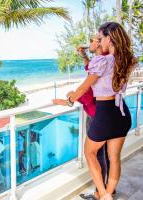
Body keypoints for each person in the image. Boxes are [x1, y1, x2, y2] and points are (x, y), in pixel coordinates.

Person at [55, 22, 137, 200]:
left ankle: (103, 195)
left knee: (90, 153)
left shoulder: (103, 61)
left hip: (105, 113)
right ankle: (108, 193)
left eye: (100, 38)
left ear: (109, 38)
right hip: (121, 113)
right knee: (114, 158)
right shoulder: (125, 60)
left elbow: (84, 87)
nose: (99, 42)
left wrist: (68, 100)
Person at [53, 34, 113, 199]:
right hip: (107, 115)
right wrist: (84, 55)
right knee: (107, 155)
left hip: (97, 117)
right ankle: (109, 189)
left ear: (101, 43)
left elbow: (87, 92)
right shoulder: (106, 61)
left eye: (94, 39)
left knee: (96, 155)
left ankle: (99, 193)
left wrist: (68, 99)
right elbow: (91, 70)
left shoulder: (103, 62)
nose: (90, 42)